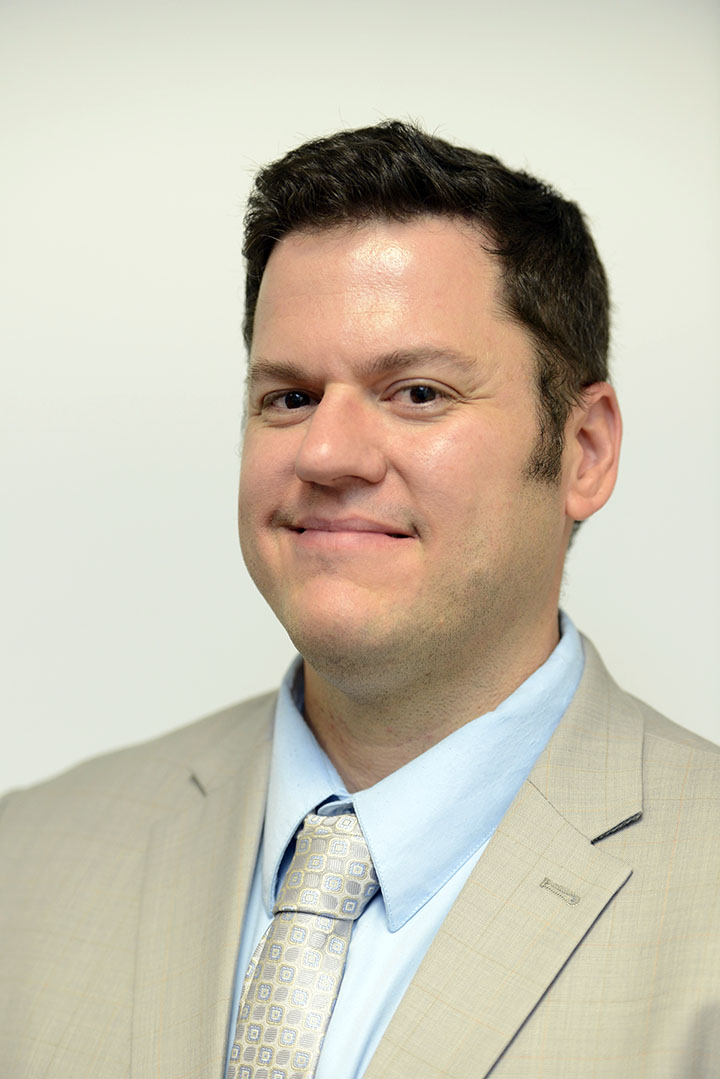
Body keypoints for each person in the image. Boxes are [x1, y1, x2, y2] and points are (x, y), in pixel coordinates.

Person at [1, 121, 718, 1079]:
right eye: (288, 397)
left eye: (417, 392)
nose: (328, 454)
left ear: (584, 450)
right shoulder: (28, 862)